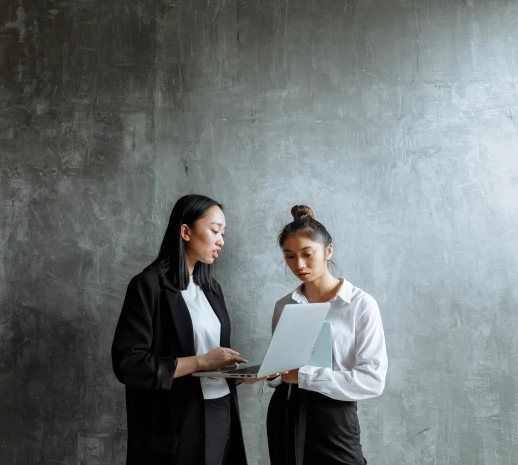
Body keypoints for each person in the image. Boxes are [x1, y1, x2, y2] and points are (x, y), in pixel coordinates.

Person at [112, 194, 254, 465]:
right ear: (186, 231)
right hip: (176, 422)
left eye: (223, 233)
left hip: (222, 409)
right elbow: (129, 364)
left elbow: (213, 358)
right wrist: (201, 362)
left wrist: (242, 373)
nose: (221, 240)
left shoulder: (212, 290)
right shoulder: (148, 286)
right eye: (214, 230)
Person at [264, 205, 388, 465]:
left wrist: (305, 376)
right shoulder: (284, 305)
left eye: (307, 254)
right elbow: (282, 369)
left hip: (334, 413)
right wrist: (273, 374)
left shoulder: (360, 305)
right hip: (286, 408)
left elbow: (373, 380)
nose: (299, 264)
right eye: (289, 256)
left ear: (328, 251)